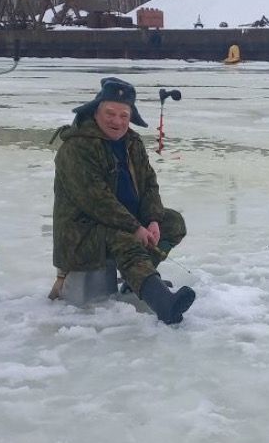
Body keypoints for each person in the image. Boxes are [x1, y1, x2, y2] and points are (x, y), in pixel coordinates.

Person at [51, 77, 195, 324]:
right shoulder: (76, 148)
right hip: (82, 233)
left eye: (124, 115)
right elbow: (97, 201)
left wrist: (151, 220)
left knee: (173, 222)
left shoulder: (132, 143)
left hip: (124, 222)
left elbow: (149, 183)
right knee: (125, 238)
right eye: (110, 113)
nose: (117, 121)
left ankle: (136, 279)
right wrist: (135, 227)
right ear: (96, 112)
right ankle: (165, 304)